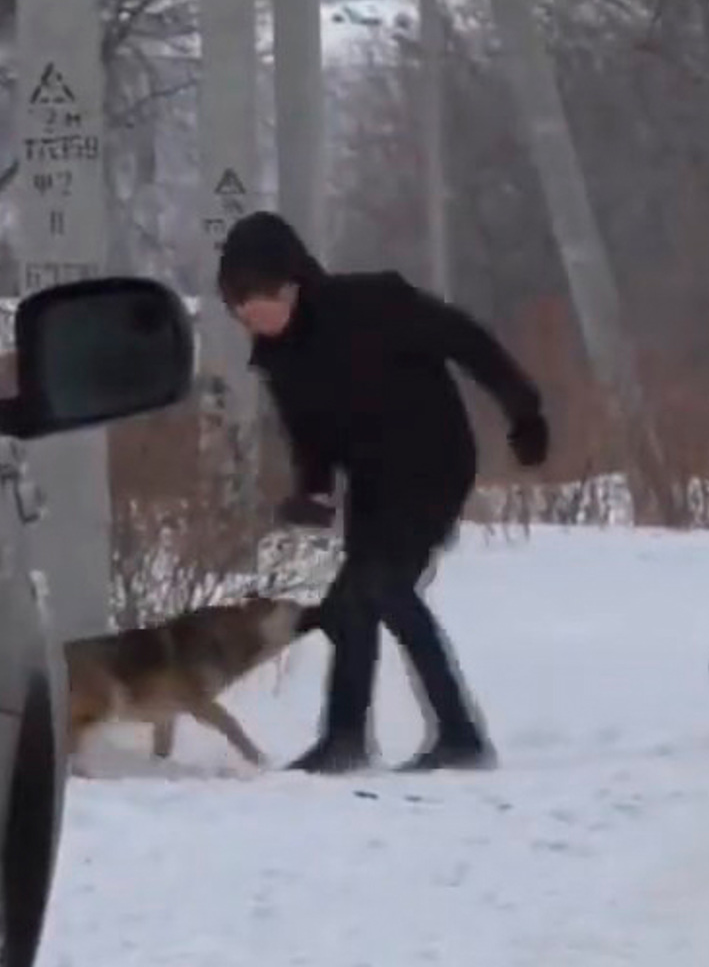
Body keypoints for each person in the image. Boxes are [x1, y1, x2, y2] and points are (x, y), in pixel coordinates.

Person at [216, 211, 549, 774]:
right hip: (373, 480)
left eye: (256, 300)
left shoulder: (376, 303)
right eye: (237, 307)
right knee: (354, 600)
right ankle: (344, 738)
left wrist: (523, 409)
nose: (249, 316)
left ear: (291, 283)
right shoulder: (279, 358)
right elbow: (309, 435)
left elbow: (469, 343)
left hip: (434, 464)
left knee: (384, 586)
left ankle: (460, 735)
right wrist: (315, 491)